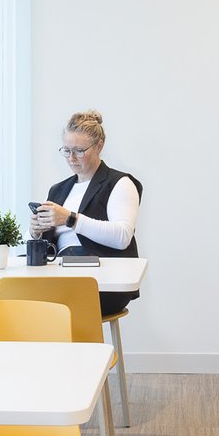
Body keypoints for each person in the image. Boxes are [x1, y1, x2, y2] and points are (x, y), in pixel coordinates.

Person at [34, 110, 142, 316]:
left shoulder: (119, 183)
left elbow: (122, 237)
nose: (72, 158)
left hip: (103, 282)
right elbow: (47, 246)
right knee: (2, 298)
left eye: (79, 150)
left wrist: (70, 219)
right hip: (60, 275)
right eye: (67, 151)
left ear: (99, 146)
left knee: (23, 306)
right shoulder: (58, 190)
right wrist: (36, 232)